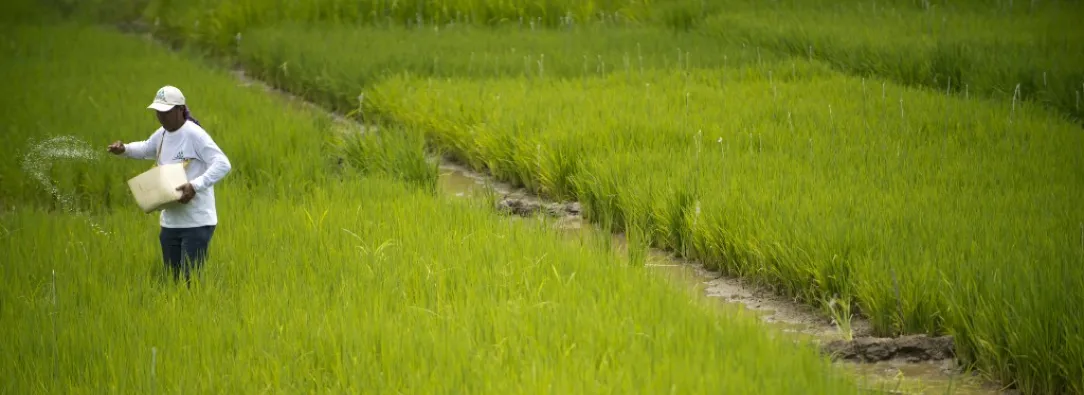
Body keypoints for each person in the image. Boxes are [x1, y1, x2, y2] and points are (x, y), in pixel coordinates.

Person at [108, 85, 232, 284]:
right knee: (172, 281)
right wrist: (125, 149)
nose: (161, 117)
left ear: (180, 110)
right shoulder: (163, 134)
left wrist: (195, 185)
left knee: (190, 281)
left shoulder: (194, 134)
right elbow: (147, 147)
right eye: (158, 112)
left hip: (197, 222)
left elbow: (223, 163)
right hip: (170, 222)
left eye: (165, 112)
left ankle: (194, 312)